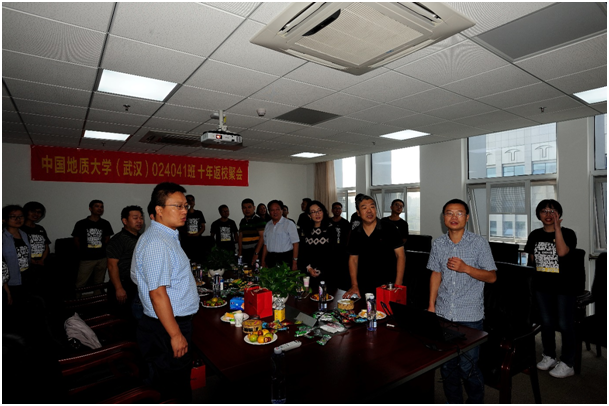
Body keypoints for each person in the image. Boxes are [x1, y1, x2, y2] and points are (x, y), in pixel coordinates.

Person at [132, 182, 199, 403]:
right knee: (174, 386)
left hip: (167, 322)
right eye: (177, 206)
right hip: (167, 327)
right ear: (159, 210)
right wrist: (175, 334)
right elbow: (157, 294)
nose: (184, 211)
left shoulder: (167, 236)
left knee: (173, 381)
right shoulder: (157, 243)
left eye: (186, 206)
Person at [427, 198, 497, 404]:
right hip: (443, 313)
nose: (454, 217)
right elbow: (436, 274)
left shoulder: (479, 243)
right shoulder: (438, 244)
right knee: (447, 366)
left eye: (459, 213)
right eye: (449, 213)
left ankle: (476, 401)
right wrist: (431, 305)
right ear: (444, 217)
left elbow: (492, 277)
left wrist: (466, 268)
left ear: (467, 218)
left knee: (468, 367)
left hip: (469, 316)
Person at [525, 199, 578, 379]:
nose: (548, 214)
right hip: (543, 286)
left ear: (559, 214)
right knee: (546, 322)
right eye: (544, 211)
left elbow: (562, 252)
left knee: (564, 324)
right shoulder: (534, 235)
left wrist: (557, 229)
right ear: (538, 214)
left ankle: (568, 362)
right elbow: (532, 260)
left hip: (564, 287)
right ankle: (549, 355)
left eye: (552, 211)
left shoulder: (568, 233)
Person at [344, 195, 405, 299]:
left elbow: (401, 256)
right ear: (358, 213)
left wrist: (398, 284)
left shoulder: (390, 228)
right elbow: (353, 260)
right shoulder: (355, 233)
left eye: (372, 207)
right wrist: (354, 285)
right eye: (364, 208)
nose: (369, 211)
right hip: (364, 284)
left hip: (388, 285)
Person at [106, 205, 144, 321]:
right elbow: (112, 266)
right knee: (124, 318)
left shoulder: (141, 238)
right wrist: (119, 288)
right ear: (125, 221)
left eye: (141, 218)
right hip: (123, 284)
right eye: (135, 218)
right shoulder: (118, 240)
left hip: (137, 284)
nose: (139, 221)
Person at [71, 199, 114, 295]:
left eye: (101, 207)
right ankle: (76, 301)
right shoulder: (81, 223)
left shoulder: (105, 223)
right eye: (97, 206)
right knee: (80, 282)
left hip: (102, 258)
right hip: (86, 258)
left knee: (99, 282)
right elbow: (76, 239)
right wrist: (82, 252)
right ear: (90, 208)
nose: (100, 208)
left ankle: (97, 300)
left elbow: (107, 238)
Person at [299, 201, 339, 290]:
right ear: (309, 215)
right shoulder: (306, 230)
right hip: (310, 272)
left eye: (319, 210)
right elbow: (303, 253)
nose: (317, 214)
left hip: (328, 272)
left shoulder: (331, 229)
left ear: (323, 212)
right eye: (313, 212)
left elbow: (333, 253)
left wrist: (320, 270)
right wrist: (309, 268)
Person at [2, 205, 32, 300]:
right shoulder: (3, 236)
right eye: (13, 217)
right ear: (4, 219)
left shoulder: (24, 234)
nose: (18, 219)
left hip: (25, 277)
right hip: (9, 281)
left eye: (20, 216)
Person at [261, 200, 300, 270]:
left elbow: (295, 243)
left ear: (282, 210)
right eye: (272, 210)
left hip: (285, 258)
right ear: (269, 212)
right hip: (271, 258)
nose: (275, 212)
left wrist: (294, 262)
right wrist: (263, 260)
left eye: (277, 209)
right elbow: (265, 244)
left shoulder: (289, 224)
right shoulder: (268, 225)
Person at [21, 201, 51, 287]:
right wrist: (30, 259)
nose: (36, 214)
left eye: (39, 212)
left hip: (41, 263)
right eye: (33, 211)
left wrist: (42, 259)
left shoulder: (40, 228)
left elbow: (46, 245)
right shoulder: (20, 228)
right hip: (25, 264)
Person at [238, 199, 266, 266]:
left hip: (255, 252)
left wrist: (256, 253)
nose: (247, 210)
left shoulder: (259, 220)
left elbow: (262, 237)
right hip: (245, 252)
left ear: (254, 208)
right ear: (242, 209)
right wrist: (240, 252)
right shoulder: (242, 221)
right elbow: (240, 237)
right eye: (244, 208)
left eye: (249, 207)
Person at [178, 194, 206, 263]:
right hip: (186, 241)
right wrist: (186, 233)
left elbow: (203, 226)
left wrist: (198, 233)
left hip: (197, 240)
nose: (190, 202)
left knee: (198, 259)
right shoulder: (182, 213)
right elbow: (178, 227)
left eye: (192, 200)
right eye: (188, 200)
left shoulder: (199, 213)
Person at [330, 202, 351, 289]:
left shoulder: (345, 223)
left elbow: (349, 237)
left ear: (341, 210)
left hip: (342, 252)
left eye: (339, 208)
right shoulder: (328, 222)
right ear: (332, 210)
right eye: (335, 208)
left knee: (342, 272)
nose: (337, 210)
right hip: (330, 251)